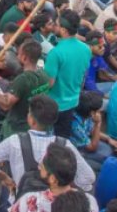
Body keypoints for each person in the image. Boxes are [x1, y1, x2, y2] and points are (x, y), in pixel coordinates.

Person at [0, 95, 95, 195]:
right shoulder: (65, 145)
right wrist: (67, 186)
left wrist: (4, 177)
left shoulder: (14, 141)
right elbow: (88, 177)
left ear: (31, 120)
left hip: (22, 200)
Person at [11, 142, 99, 212]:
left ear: (53, 179)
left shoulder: (30, 200)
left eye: (43, 165)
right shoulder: (89, 202)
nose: (40, 166)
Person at [45, 10, 92, 138]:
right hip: (73, 101)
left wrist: (35, 91)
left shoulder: (55, 53)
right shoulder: (86, 49)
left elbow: (50, 83)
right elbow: (83, 77)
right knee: (62, 139)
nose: (54, 26)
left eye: (56, 24)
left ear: (64, 30)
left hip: (55, 105)